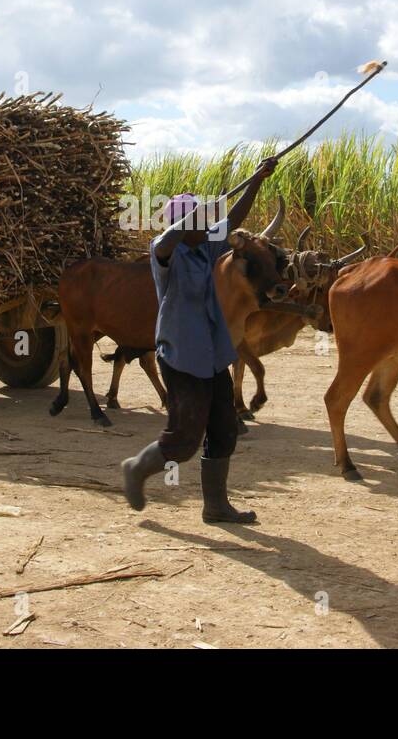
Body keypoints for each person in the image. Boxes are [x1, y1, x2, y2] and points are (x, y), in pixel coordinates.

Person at [120, 157, 278, 524]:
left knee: (224, 429)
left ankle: (216, 506)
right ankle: (136, 469)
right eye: (199, 222)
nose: (207, 227)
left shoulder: (205, 247)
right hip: (180, 357)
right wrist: (185, 220)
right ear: (182, 223)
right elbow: (166, 238)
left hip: (211, 354)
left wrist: (256, 178)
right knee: (184, 439)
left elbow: (233, 220)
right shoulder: (166, 251)